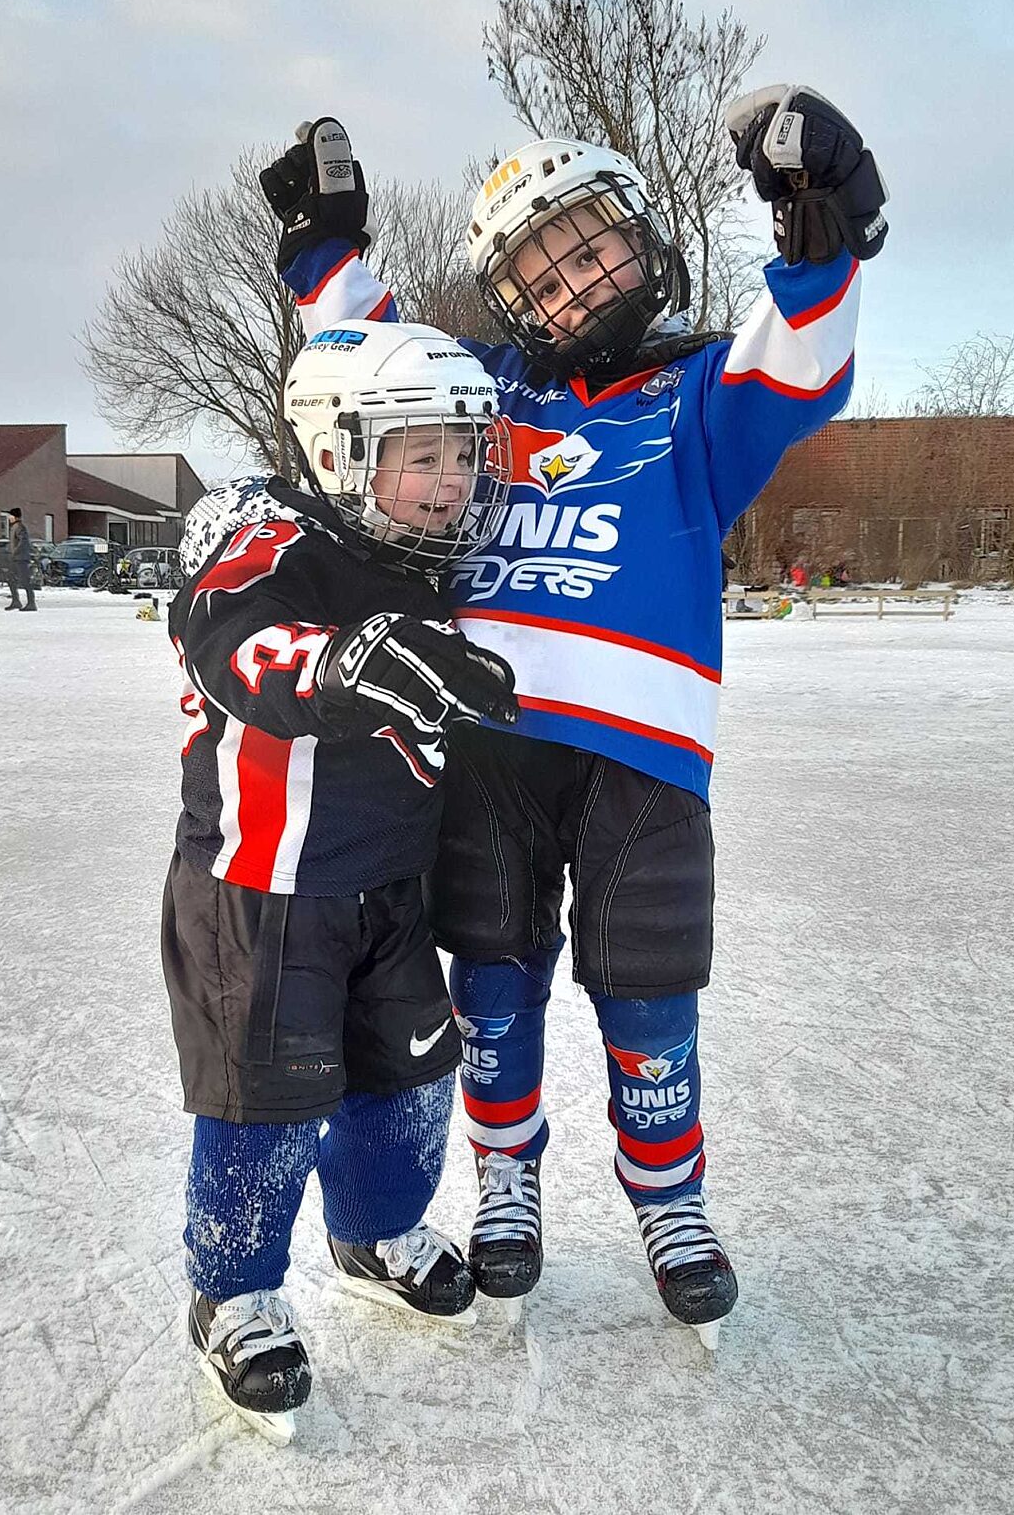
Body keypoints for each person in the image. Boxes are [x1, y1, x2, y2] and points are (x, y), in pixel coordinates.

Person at [259, 88, 887, 1347]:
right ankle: (507, 1180)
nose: (575, 284)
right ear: (515, 302)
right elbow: (374, 353)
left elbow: (803, 356)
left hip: (644, 760)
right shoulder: (485, 391)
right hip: (484, 750)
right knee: (492, 986)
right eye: (542, 275)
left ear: (641, 239)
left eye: (590, 248)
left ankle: (671, 1198)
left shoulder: (700, 395)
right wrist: (324, 248)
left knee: (650, 994)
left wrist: (825, 217)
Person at [161, 319, 518, 1441]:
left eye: (463, 454)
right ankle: (232, 1290)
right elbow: (231, 641)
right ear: (338, 451)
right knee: (266, 1097)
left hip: (388, 884)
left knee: (407, 1078)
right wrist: (343, 659)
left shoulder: (430, 556)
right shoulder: (271, 536)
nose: (451, 481)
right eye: (424, 455)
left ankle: (374, 1229)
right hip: (266, 888)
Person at [5, 507, 36, 611]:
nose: (9, 518)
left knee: (25, 580)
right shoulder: (14, 527)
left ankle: (31, 603)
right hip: (15, 558)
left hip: (20, 558)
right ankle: (16, 601)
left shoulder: (19, 527)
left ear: (15, 517)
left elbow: (23, 541)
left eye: (10, 516)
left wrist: (15, 551)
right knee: (10, 578)